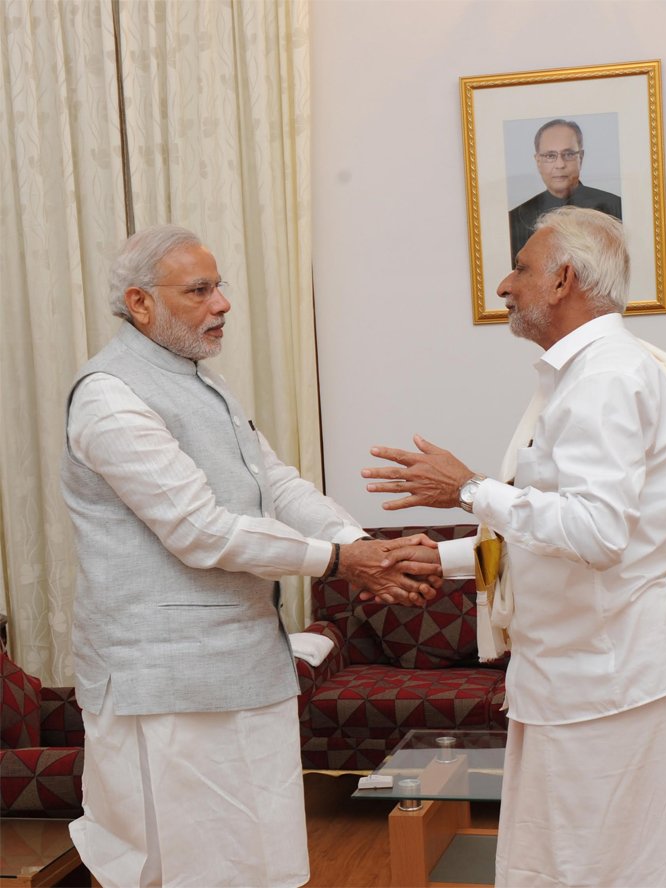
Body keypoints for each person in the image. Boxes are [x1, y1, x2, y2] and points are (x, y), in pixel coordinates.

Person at [60, 224, 438, 888]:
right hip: (168, 689)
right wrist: (341, 564)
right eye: (199, 290)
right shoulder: (109, 397)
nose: (222, 304)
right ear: (140, 303)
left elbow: (277, 484)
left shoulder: (203, 380)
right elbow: (201, 530)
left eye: (220, 286)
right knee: (183, 870)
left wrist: (360, 546)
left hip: (242, 670)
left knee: (261, 862)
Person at [363, 207, 666, 887]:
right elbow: (550, 534)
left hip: (608, 688)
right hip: (579, 681)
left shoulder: (606, 378)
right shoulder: (583, 374)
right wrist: (436, 559)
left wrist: (468, 488)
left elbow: (594, 534)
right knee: (561, 868)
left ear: (562, 279)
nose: (505, 284)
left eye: (521, 268)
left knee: (604, 872)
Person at [509, 118, 622, 261]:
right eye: (550, 156)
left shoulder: (615, 207)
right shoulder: (515, 219)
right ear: (538, 161)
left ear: (580, 157)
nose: (560, 164)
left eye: (568, 154)